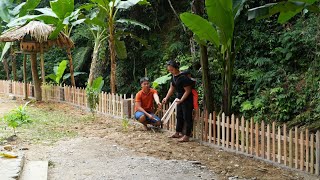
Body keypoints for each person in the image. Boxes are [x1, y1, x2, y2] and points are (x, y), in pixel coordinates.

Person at [162, 60, 194, 142]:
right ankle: (177, 132)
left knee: (187, 117)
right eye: (169, 70)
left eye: (172, 70)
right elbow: (171, 88)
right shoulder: (173, 77)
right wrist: (166, 98)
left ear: (176, 68)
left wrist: (182, 100)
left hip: (186, 99)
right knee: (179, 115)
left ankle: (187, 135)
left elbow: (188, 90)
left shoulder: (183, 77)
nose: (171, 72)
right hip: (179, 98)